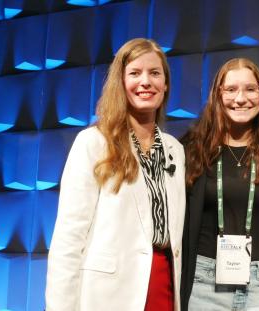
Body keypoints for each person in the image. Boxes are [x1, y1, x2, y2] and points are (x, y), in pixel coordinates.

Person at [45, 38, 185, 311]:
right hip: (108, 295)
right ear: (120, 83)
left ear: (166, 84)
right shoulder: (93, 142)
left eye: (155, 73)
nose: (145, 81)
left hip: (163, 290)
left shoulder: (175, 150)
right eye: (135, 73)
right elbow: (68, 239)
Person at [180, 58, 259, 310]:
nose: (241, 99)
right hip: (203, 285)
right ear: (217, 95)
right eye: (230, 90)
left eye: (250, 89)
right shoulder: (192, 150)